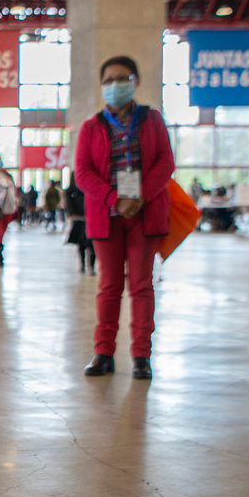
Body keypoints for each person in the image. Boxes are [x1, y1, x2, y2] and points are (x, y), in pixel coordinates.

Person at [74, 56, 174, 380]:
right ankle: (104, 352)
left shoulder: (152, 120)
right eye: (109, 80)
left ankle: (141, 356)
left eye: (122, 78)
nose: (115, 85)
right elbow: (83, 173)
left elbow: (165, 161)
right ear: (102, 85)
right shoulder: (91, 127)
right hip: (107, 217)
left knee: (142, 286)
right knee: (109, 286)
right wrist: (113, 198)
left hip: (145, 216)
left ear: (135, 81)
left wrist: (141, 195)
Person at [63, 176, 95, 275]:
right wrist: (71, 211)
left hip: (93, 214)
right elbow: (68, 194)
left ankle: (91, 266)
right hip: (79, 215)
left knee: (92, 243)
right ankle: (82, 265)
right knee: (81, 242)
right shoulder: (76, 176)